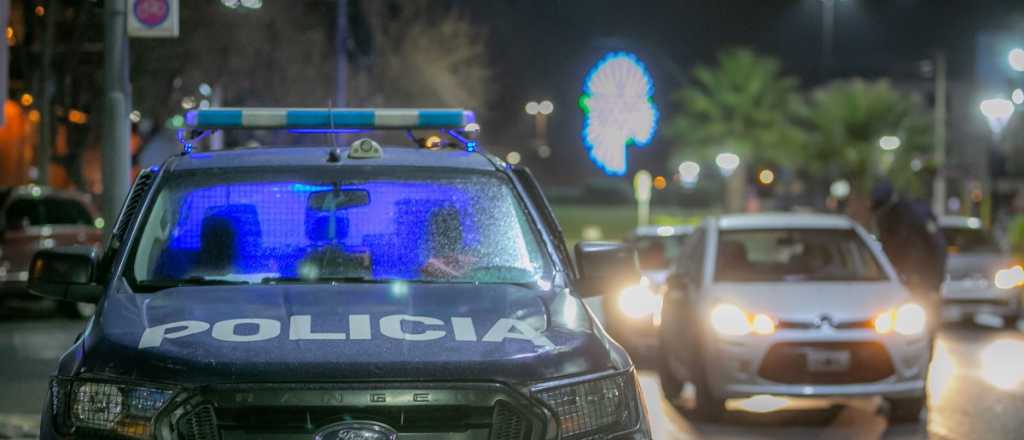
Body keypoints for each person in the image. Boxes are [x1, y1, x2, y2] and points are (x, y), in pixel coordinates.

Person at [870, 181, 947, 322]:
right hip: (899, 282)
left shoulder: (916, 214)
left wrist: (935, 284)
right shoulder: (885, 218)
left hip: (923, 280)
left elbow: (938, 247)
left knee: (925, 322)